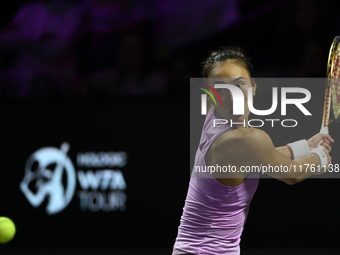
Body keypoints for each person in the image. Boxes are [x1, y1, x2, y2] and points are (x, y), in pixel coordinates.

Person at [172, 46, 334, 255]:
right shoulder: (244, 139)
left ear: (254, 86)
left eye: (239, 85)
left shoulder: (215, 119)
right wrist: (320, 157)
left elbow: (259, 156)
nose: (232, 97)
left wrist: (305, 146)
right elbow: (293, 174)